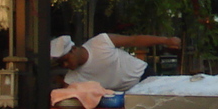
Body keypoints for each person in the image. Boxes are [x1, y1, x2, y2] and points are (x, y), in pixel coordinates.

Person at [50, 33, 180, 93]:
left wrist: (165, 40)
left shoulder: (100, 42)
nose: (66, 66)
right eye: (61, 64)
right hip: (123, 95)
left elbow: (133, 40)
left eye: (66, 60)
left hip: (143, 76)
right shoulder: (72, 78)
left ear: (73, 49)